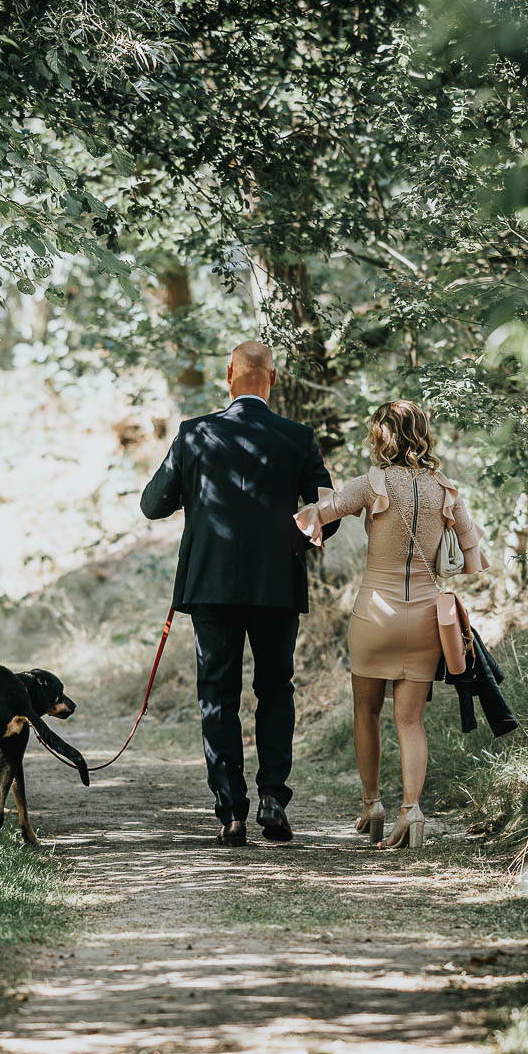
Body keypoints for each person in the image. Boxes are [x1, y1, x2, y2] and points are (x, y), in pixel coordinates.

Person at [141, 341, 338, 846]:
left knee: (218, 694)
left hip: (211, 586)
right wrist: (291, 539)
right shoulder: (296, 437)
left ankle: (231, 812)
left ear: (228, 375)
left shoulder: (195, 434)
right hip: (276, 586)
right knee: (276, 689)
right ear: (273, 378)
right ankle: (273, 797)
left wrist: (194, 486)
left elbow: (152, 505)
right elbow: (327, 512)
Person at [293, 400, 486, 849]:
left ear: (382, 437)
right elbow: (472, 561)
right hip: (424, 620)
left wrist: (310, 521)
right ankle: (411, 812)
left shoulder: (370, 483)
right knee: (411, 720)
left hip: (373, 615)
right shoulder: (447, 491)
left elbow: (315, 516)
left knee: (367, 712)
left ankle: (371, 804)